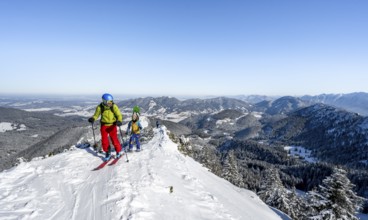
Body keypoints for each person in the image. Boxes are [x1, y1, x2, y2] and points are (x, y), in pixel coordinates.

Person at [88, 93, 123, 161]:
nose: (110, 103)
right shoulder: (100, 107)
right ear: (104, 101)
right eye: (109, 102)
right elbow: (96, 115)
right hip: (104, 125)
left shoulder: (114, 106)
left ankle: (118, 151)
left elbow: (119, 115)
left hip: (112, 125)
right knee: (104, 140)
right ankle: (107, 152)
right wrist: (93, 118)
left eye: (111, 101)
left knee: (114, 139)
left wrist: (119, 121)